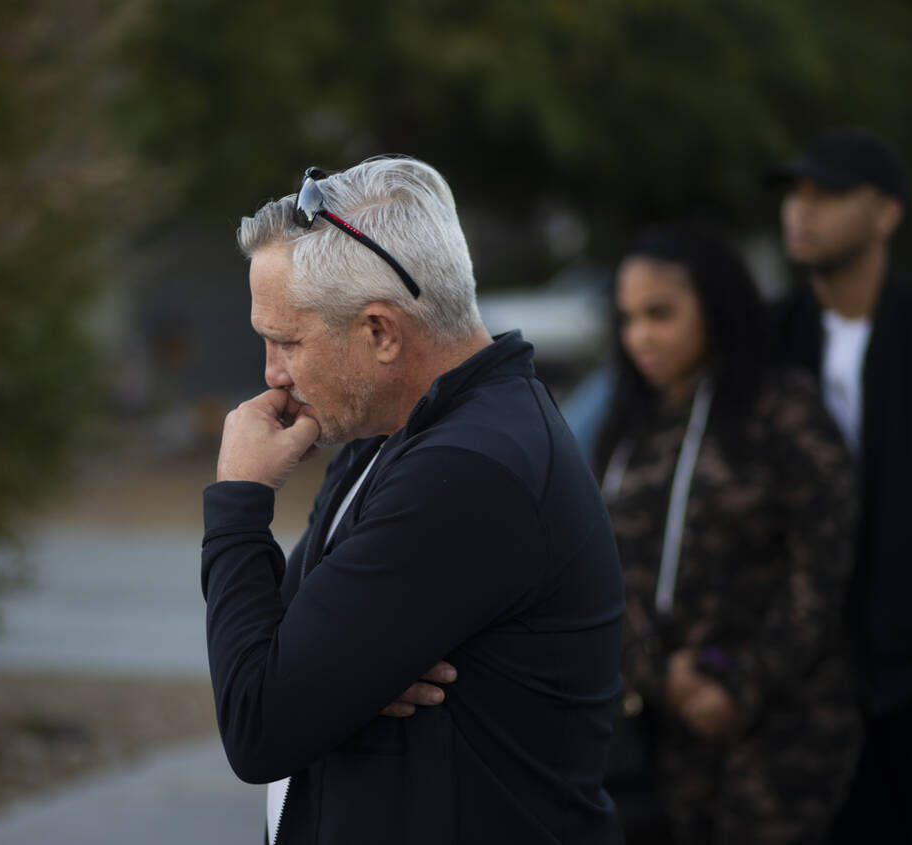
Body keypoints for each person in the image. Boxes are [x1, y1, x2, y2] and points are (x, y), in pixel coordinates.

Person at [202, 156, 625, 844]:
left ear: (381, 331)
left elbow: (258, 719)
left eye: (286, 340)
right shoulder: (397, 432)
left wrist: (238, 498)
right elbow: (280, 653)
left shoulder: (471, 466)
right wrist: (344, 674)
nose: (272, 374)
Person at [593, 221, 860, 844]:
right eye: (628, 318)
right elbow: (601, 566)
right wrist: (663, 676)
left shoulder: (780, 409)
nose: (642, 337)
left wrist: (744, 682)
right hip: (665, 724)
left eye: (661, 313)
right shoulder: (628, 425)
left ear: (712, 306)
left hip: (782, 725)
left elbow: (823, 566)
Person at [768, 127, 912, 845]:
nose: (800, 211)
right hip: (794, 684)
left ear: (886, 213)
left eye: (828, 194)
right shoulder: (768, 342)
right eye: (795, 193)